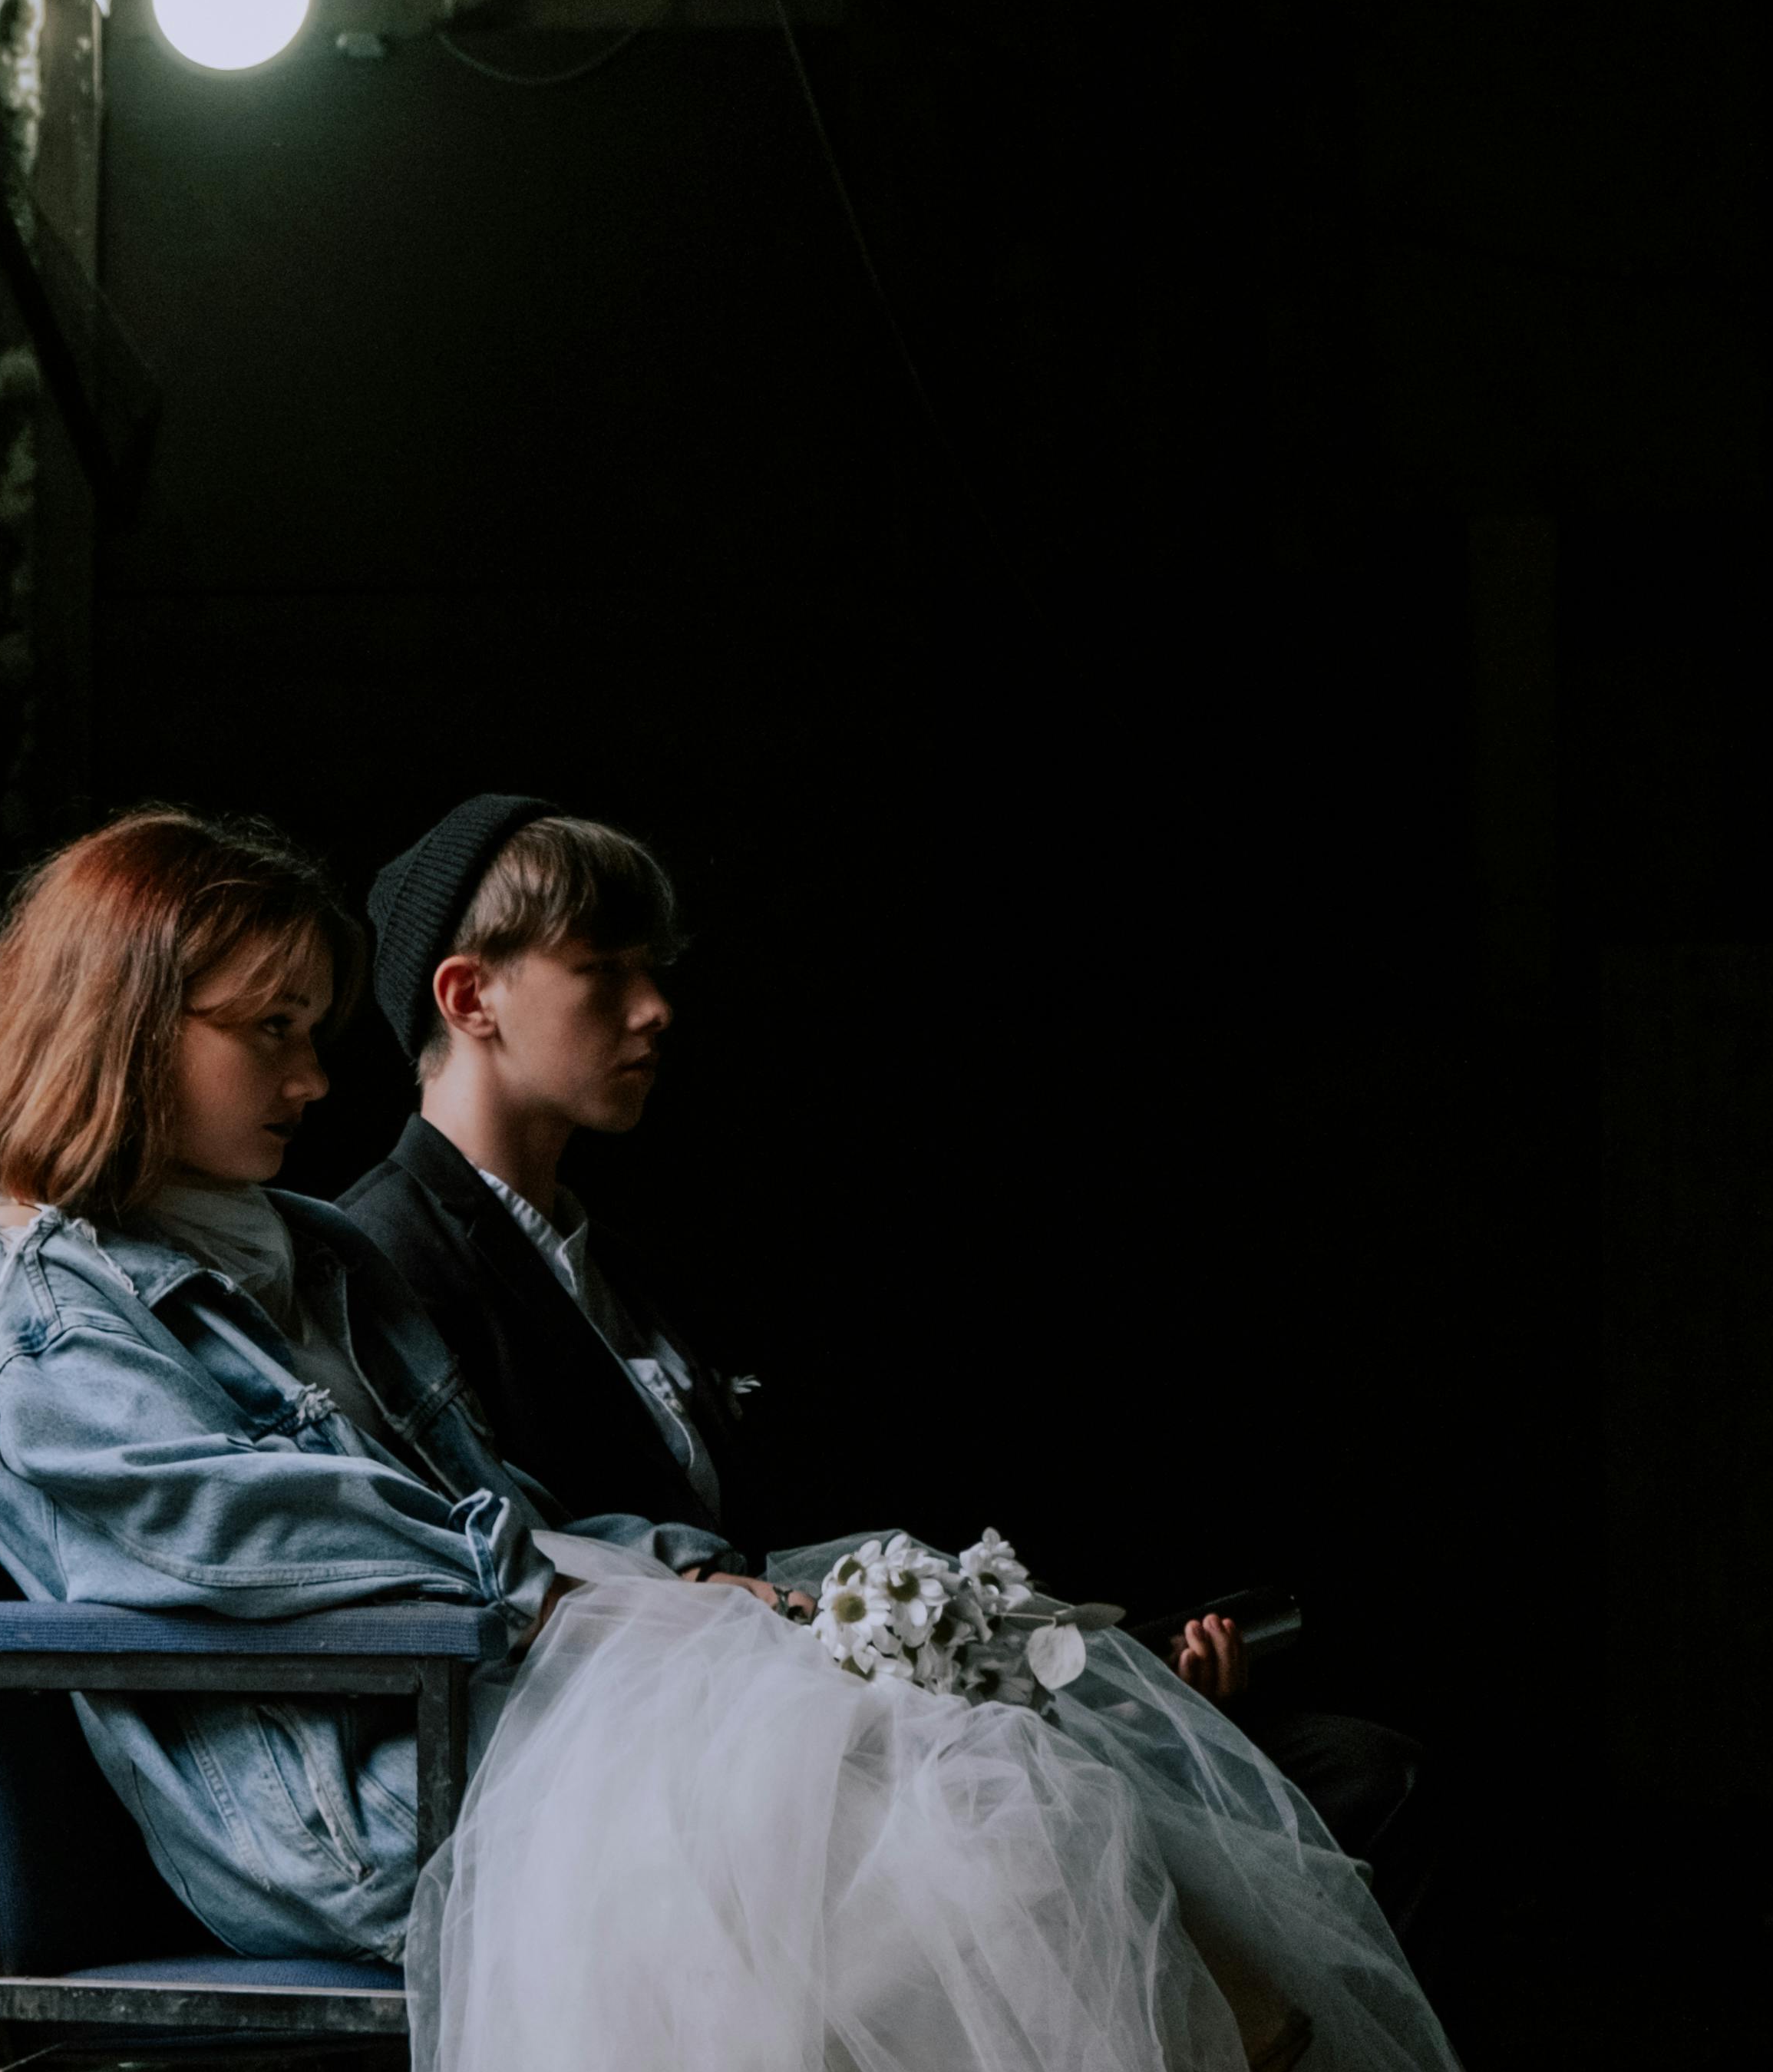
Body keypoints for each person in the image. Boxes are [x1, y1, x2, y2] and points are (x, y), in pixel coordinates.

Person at [0, 806, 1578, 2072]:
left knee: (1019, 1810)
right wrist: (620, 1593)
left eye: (308, 1027)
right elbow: (312, 1555)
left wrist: (715, 1581)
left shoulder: (276, 1247)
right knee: (909, 1851)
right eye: (263, 1030)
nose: (307, 1074)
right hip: (381, 1805)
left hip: (508, 1706)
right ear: (116, 1025)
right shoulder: (44, 1310)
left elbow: (504, 1513)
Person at [339, 796, 1425, 1893]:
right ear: (469, 994)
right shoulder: (380, 1260)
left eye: (652, 969)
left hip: (807, 1701)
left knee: (1336, 1769)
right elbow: (496, 1573)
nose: (656, 1008)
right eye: (604, 970)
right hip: (652, 1769)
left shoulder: (616, 1258)